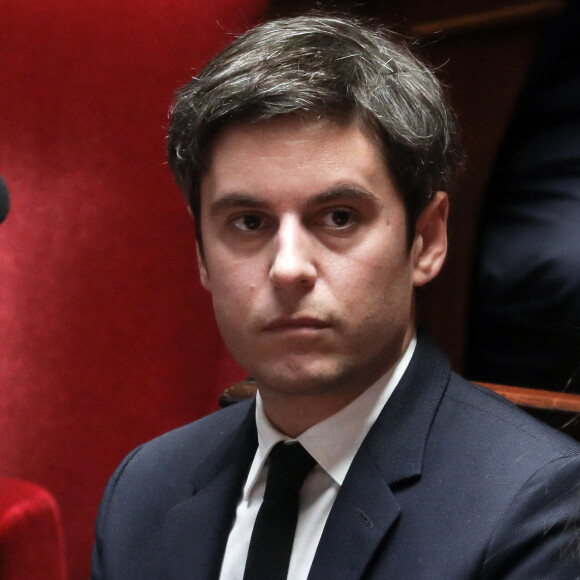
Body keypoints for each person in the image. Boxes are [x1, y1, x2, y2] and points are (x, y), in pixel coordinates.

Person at [91, 14, 580, 579]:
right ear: (201, 254)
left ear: (426, 240)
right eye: (249, 222)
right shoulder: (143, 491)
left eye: (339, 217)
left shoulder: (537, 507)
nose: (289, 268)